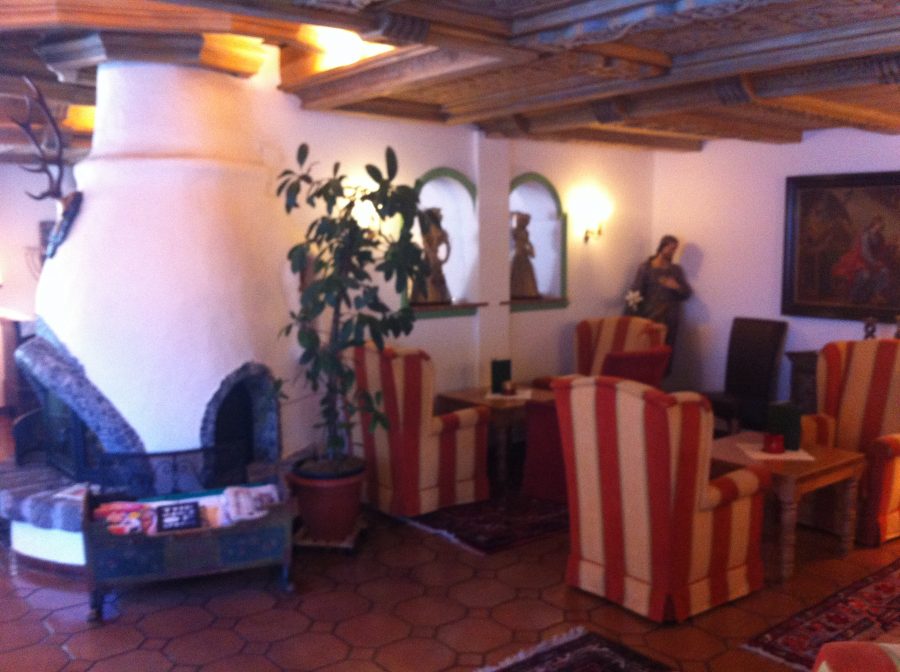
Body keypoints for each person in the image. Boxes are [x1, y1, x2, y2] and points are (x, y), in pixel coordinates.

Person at [625, 234, 693, 351]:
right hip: (650, 317)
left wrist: (676, 286)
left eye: (675, 250)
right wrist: (631, 319)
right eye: (671, 249)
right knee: (647, 351)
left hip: (670, 320)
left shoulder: (675, 270)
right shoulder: (646, 268)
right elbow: (635, 295)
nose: (673, 252)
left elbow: (687, 294)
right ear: (663, 246)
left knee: (667, 352)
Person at [510, 211, 541, 299]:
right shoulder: (515, 231)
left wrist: (531, 249)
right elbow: (514, 241)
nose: (525, 224)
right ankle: (517, 292)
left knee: (526, 272)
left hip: (524, 253)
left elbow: (527, 242)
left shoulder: (526, 232)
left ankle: (528, 292)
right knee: (518, 272)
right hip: (518, 252)